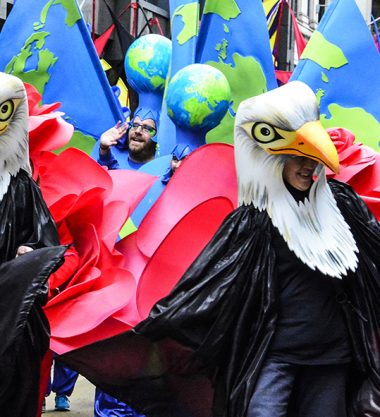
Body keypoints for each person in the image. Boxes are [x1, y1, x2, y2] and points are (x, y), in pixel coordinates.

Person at [61, 81, 380, 417]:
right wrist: (138, 331)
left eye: (311, 157)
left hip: (333, 357)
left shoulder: (343, 208)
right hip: (273, 355)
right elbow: (206, 288)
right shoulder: (252, 221)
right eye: (294, 156)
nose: (307, 165)